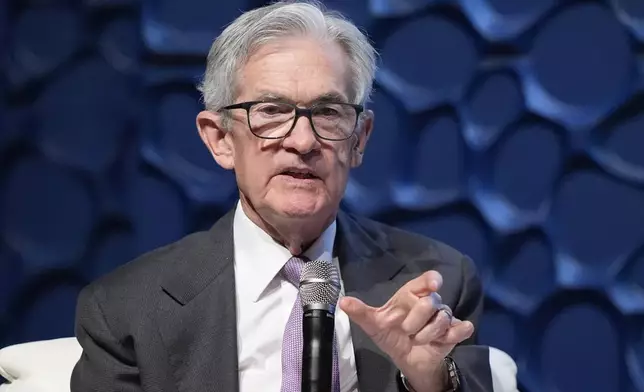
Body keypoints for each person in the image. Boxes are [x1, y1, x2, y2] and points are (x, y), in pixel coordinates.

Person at [70, 1, 494, 391]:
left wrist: (430, 381)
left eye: (328, 113)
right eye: (271, 112)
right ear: (220, 139)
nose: (304, 141)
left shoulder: (438, 282)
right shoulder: (126, 310)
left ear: (359, 140)